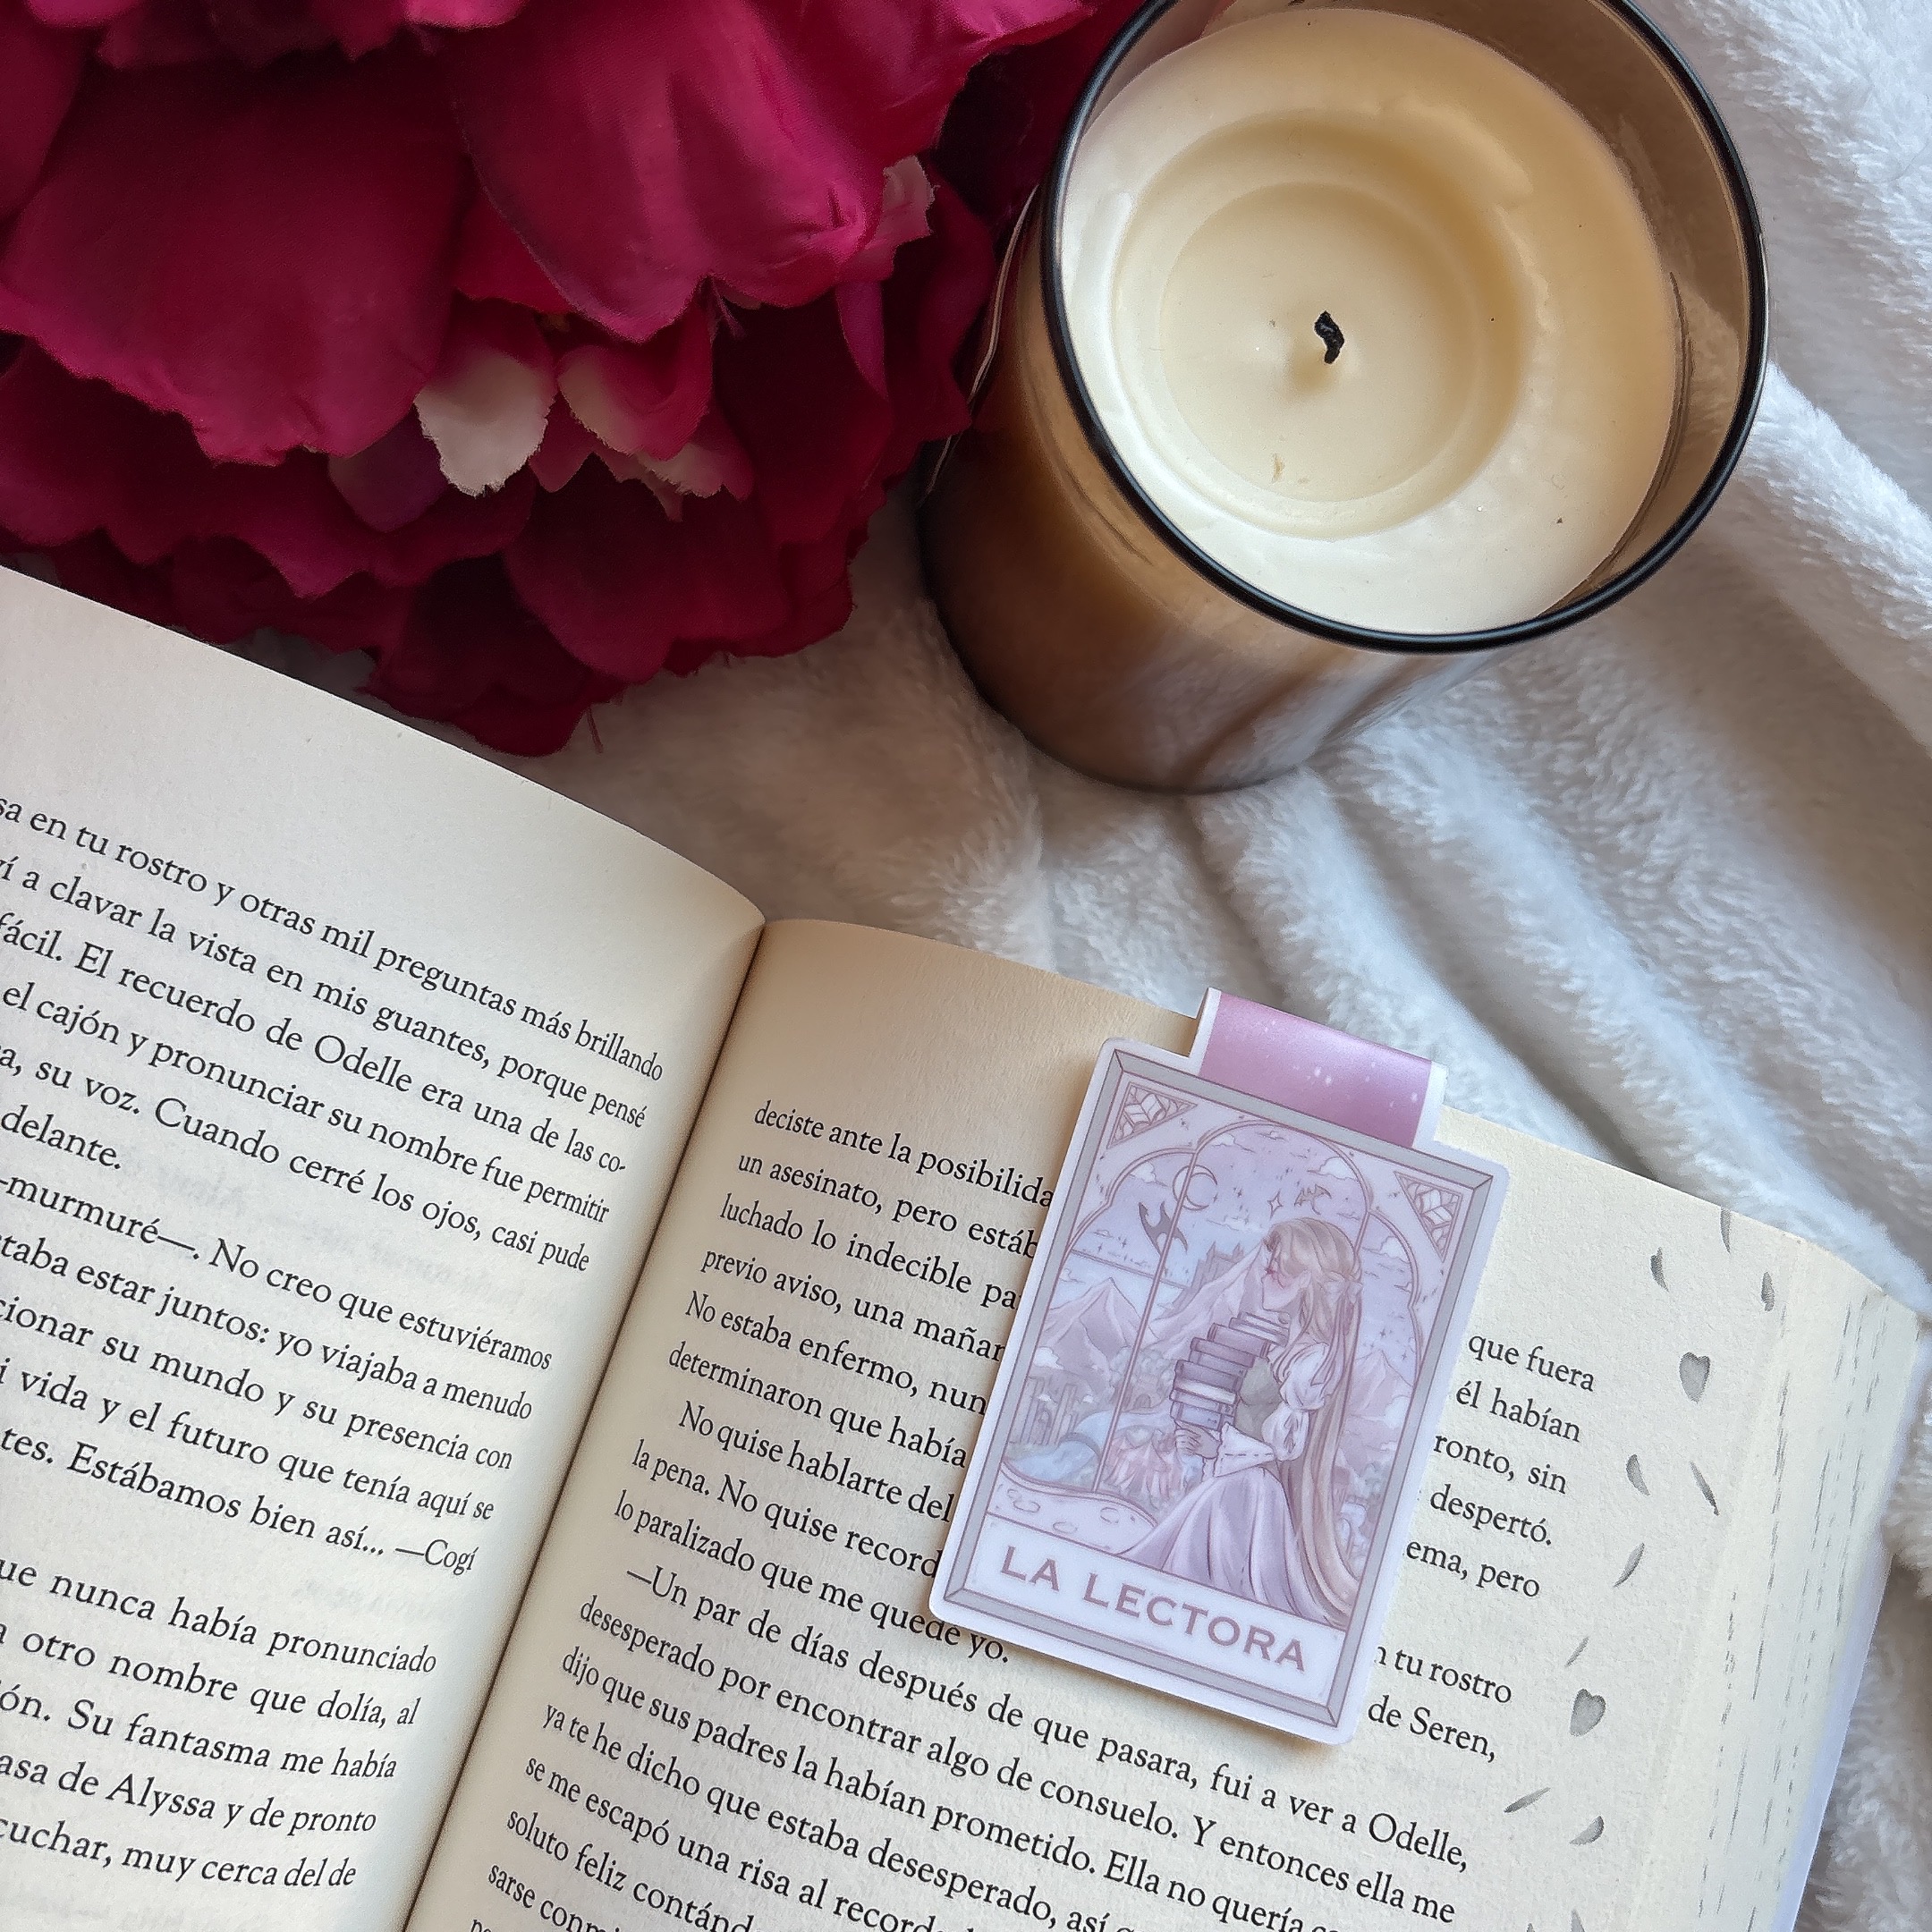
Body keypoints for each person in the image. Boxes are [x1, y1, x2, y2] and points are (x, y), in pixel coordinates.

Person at [1127, 1216, 1363, 1625]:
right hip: (1239, 1478)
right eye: (1269, 1260)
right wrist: (1213, 1447)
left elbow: (1284, 1446)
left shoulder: (1312, 1363)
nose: (1266, 1270)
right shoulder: (1285, 1347)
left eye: (1280, 1266)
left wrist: (1221, 1447)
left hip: (1252, 1488)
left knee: (1197, 1575)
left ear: (1309, 1281)